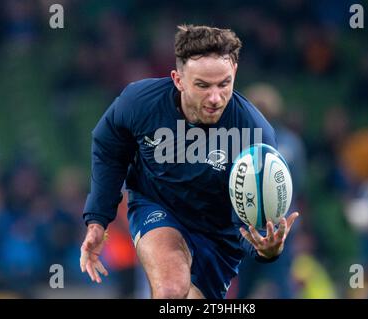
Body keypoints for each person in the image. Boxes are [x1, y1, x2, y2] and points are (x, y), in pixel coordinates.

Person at [79, 24, 299, 299]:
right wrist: (98, 220)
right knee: (171, 290)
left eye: (224, 84)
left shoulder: (255, 134)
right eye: (203, 86)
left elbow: (248, 221)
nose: (215, 98)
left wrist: (265, 249)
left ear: (235, 74)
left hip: (218, 237)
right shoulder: (139, 103)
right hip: (157, 207)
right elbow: (108, 147)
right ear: (178, 79)